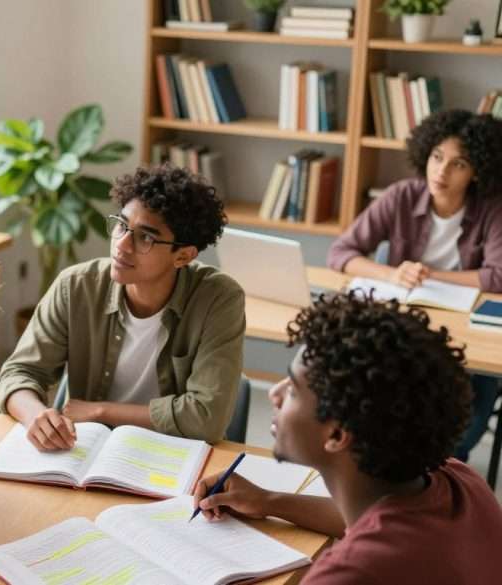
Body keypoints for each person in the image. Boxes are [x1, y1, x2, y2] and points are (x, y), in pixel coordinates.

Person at [193, 292, 502, 585]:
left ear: (338, 434)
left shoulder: (350, 573)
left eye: (294, 390)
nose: (274, 393)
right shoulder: (458, 479)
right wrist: (267, 501)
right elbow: (371, 518)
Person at [0, 163, 245, 451]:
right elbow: (18, 374)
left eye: (146, 237)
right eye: (122, 225)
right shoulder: (77, 286)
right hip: (86, 449)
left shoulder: (218, 298)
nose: (122, 245)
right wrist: (35, 415)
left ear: (183, 256)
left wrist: (101, 412)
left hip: (170, 454)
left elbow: (207, 418)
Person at [327, 109, 502, 461]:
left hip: (466, 332)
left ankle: (444, 466)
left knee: (474, 391)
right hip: (404, 324)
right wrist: (391, 273)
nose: (442, 171)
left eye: (458, 164)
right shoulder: (401, 195)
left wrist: (430, 274)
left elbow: (498, 276)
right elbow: (341, 252)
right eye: (437, 157)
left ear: (477, 170)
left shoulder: (492, 208)